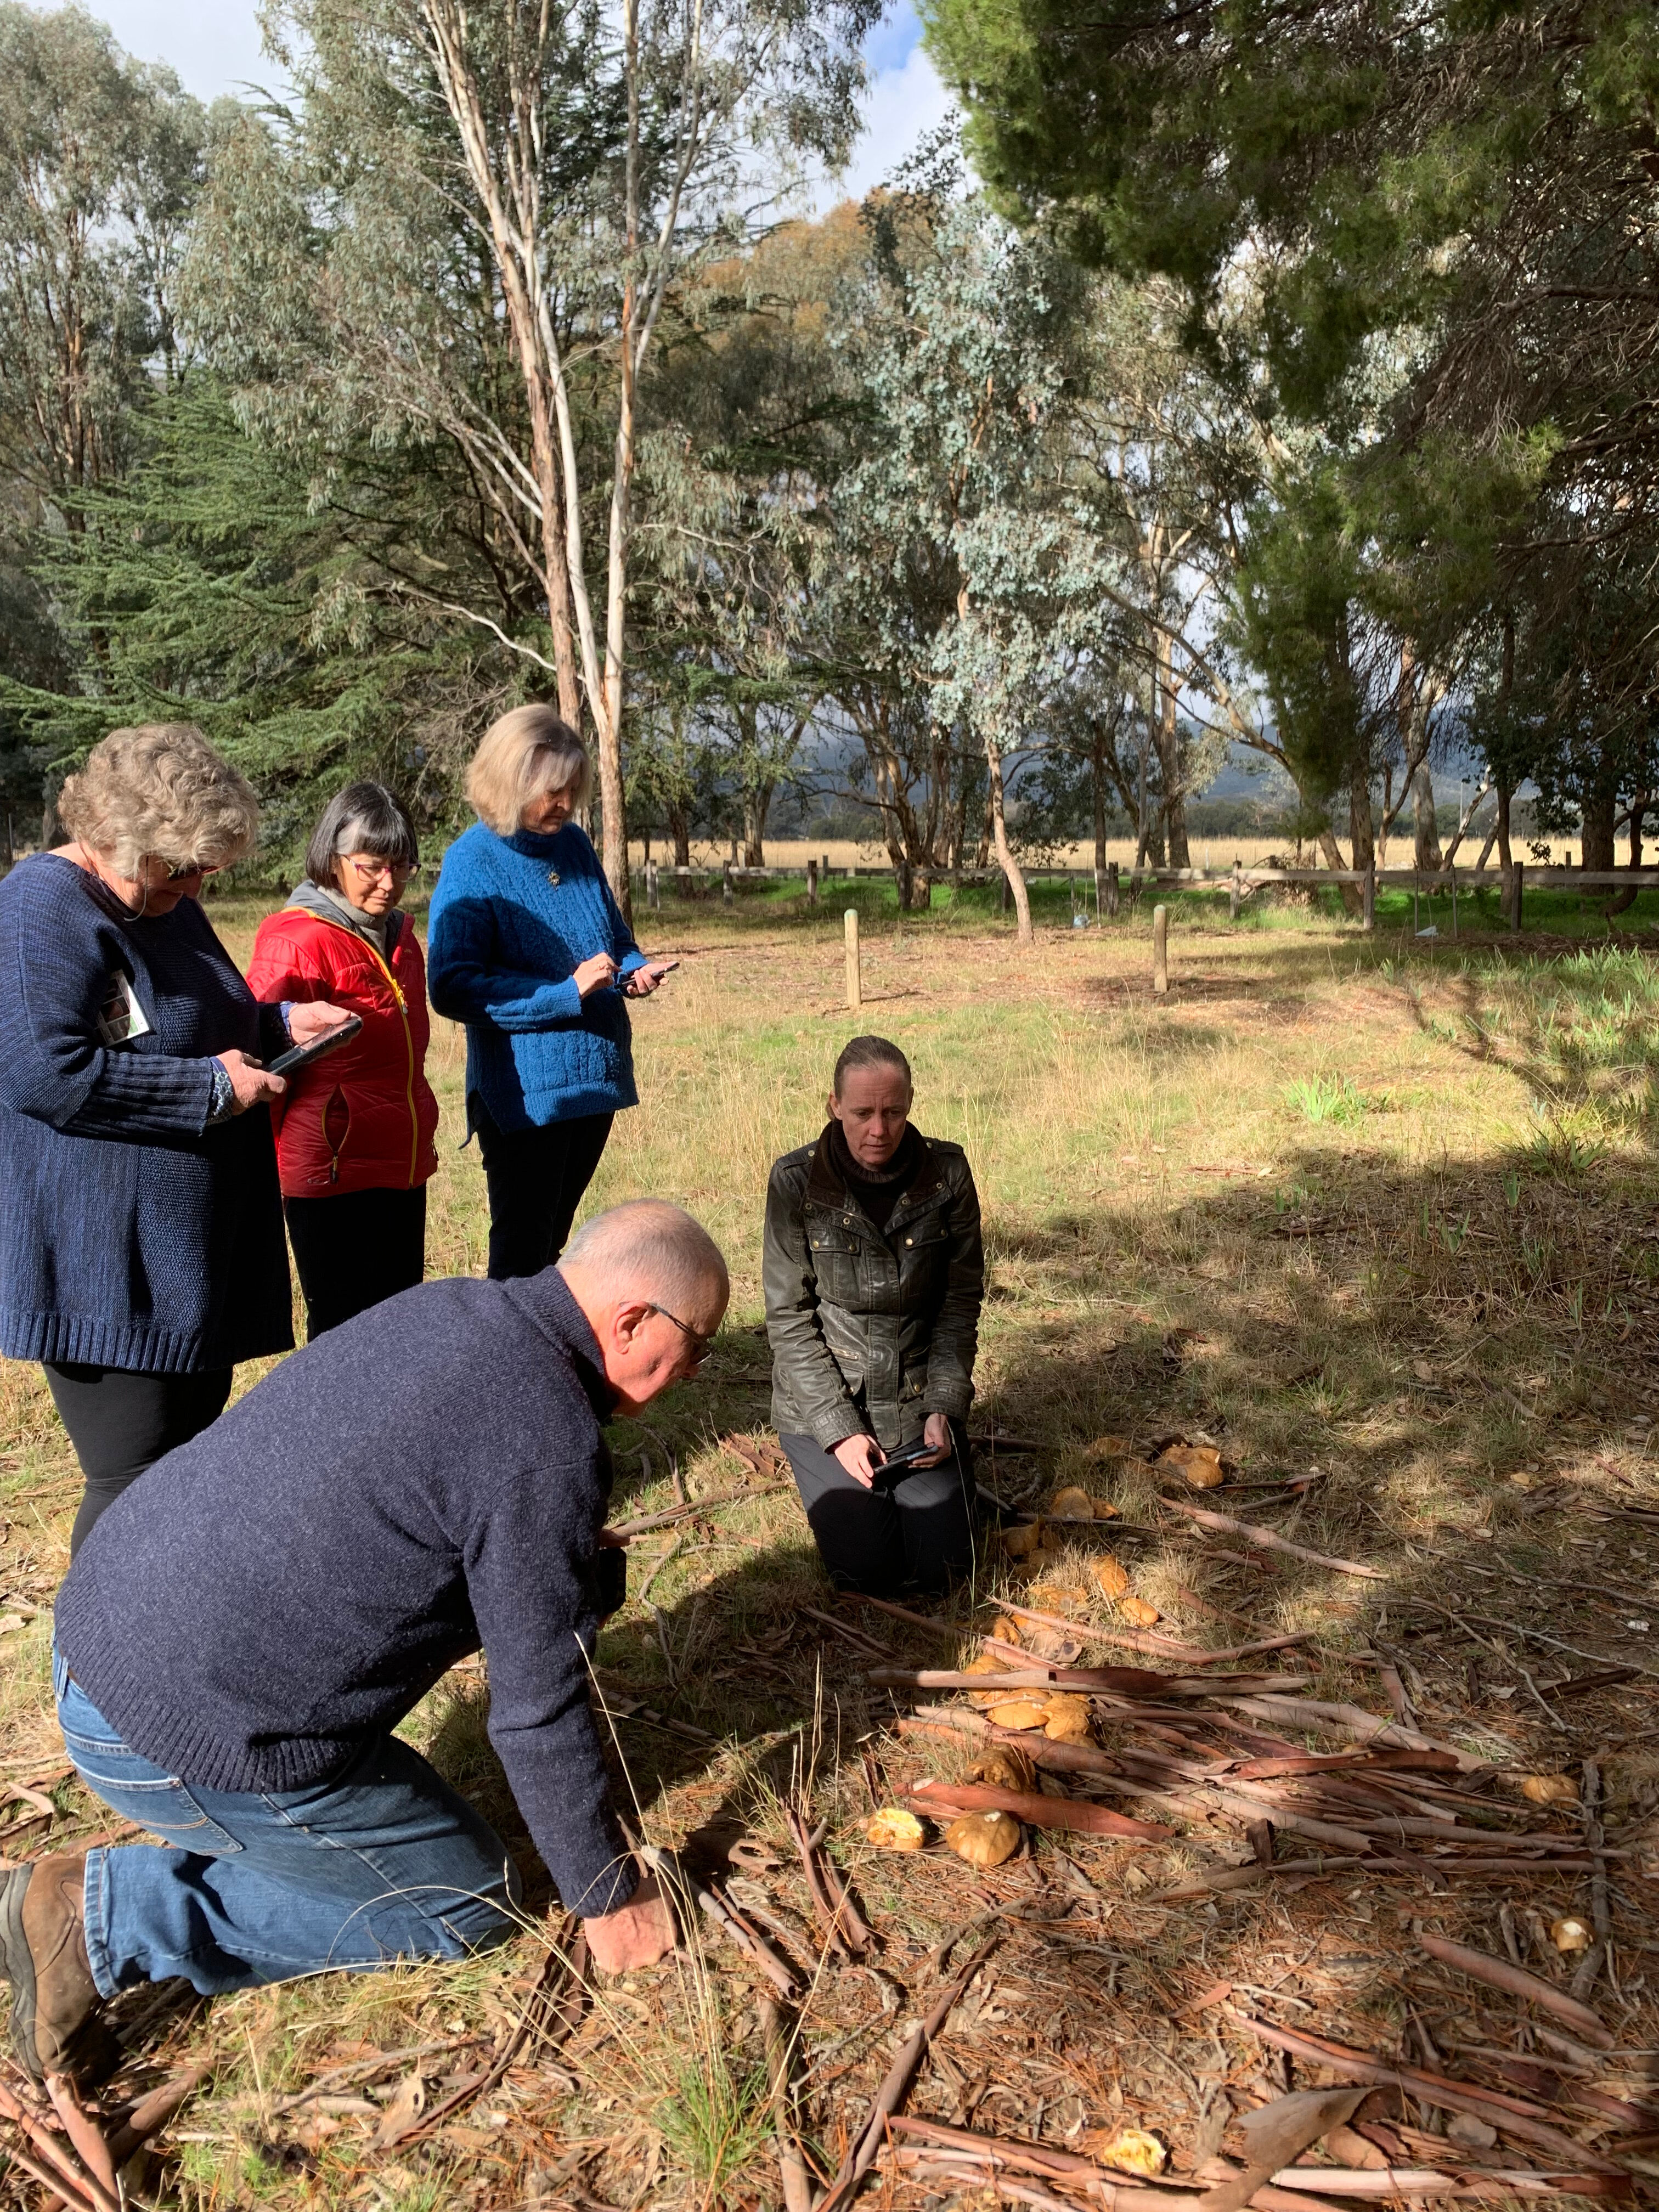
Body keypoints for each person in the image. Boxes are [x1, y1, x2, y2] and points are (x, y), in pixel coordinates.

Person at [1, 1201, 727, 2081]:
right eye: (699, 1343)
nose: (695, 1370)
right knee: (464, 1903)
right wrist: (608, 1897)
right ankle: (108, 1918)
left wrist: (551, 1562)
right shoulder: (546, 1438)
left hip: (98, 1635)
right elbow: (538, 1711)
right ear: (631, 1319)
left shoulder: (457, 1308)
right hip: (170, 1734)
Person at [0, 725, 348, 1556]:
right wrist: (209, 1089)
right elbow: (44, 1072)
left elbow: (191, 1021)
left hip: (190, 1255)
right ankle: (92, 1678)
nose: (194, 887)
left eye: (206, 870)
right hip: (108, 1267)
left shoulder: (165, 900)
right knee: (132, 1485)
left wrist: (279, 1021)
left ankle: (163, 1657)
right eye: (179, 867)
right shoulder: (40, 908)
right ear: (114, 835)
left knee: (182, 1471)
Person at [426, 706, 675, 1279]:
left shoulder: (574, 846)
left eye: (571, 790)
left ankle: (543, 1358)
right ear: (508, 782)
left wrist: (634, 969)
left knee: (552, 1244)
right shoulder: (473, 862)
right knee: (521, 1254)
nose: (563, 805)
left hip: (596, 1083)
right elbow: (452, 987)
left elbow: (612, 937)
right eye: (550, 792)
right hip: (526, 1098)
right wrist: (563, 993)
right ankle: (507, 1366)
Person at [763, 1035, 984, 1598]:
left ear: (910, 1103)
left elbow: (959, 1304)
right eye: (862, 1113)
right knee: (865, 1575)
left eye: (894, 1112)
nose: (879, 1130)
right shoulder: (795, 1184)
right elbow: (789, 1319)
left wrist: (943, 1406)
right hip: (823, 1403)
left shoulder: (948, 1174)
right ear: (834, 1105)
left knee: (948, 1573)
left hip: (914, 1400)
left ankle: (954, 1494)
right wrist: (839, 1431)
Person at [247, 783, 441, 1337]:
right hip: (331, 1170)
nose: (390, 883)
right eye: (373, 866)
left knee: (398, 1322)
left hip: (401, 1160)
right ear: (333, 859)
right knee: (340, 1331)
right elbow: (255, 1047)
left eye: (403, 866)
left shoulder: (403, 938)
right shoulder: (295, 940)